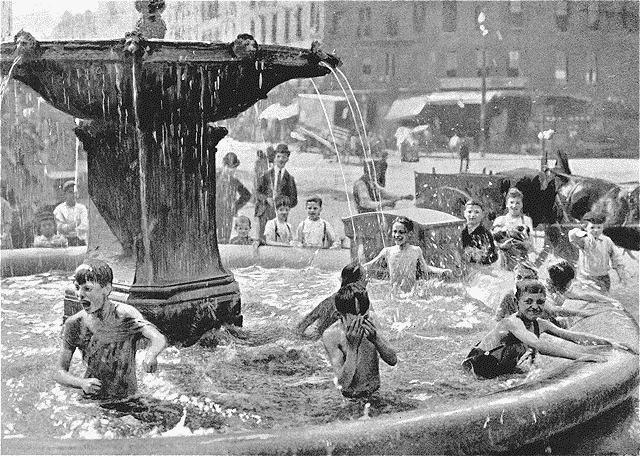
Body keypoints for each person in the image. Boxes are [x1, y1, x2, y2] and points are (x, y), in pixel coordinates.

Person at [463, 280, 635, 379]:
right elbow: (537, 344)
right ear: (516, 303)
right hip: (478, 366)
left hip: (500, 369)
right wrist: (579, 355)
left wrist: (610, 342)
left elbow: (573, 336)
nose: (535, 306)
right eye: (528, 301)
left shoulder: (541, 324)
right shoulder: (511, 323)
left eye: (540, 302)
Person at [54, 259, 167, 400]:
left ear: (106, 289)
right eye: (77, 287)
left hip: (126, 398)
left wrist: (151, 354)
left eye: (87, 289)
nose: (80, 294)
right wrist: (81, 383)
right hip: (92, 399)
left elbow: (158, 337)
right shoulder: (74, 324)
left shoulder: (125, 315)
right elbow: (59, 372)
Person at [322, 263, 397, 399]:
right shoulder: (331, 335)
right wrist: (352, 348)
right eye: (354, 317)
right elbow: (343, 384)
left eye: (364, 315)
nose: (360, 320)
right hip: (351, 399)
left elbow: (393, 360)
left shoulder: (371, 319)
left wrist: (376, 340)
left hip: (375, 393)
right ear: (339, 315)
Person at [495, 261, 606, 326]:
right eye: (519, 277)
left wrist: (610, 301)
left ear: (535, 279)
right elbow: (498, 319)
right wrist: (584, 313)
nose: (522, 281)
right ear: (514, 278)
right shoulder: (509, 295)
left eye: (527, 277)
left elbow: (582, 296)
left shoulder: (540, 291)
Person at [363, 217, 452, 292]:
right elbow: (370, 265)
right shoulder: (387, 251)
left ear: (409, 234)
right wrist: (357, 268)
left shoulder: (416, 250)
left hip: (411, 292)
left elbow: (425, 268)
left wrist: (441, 271)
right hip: (395, 292)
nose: (397, 235)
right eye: (394, 231)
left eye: (401, 232)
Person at [296, 260, 371, 338]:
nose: (367, 280)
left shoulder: (332, 300)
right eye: (364, 278)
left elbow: (306, 322)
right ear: (357, 282)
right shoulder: (353, 304)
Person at [568, 211, 627, 293]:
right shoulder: (583, 241)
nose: (596, 230)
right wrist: (585, 234)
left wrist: (621, 276)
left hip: (603, 277)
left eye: (599, 227)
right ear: (586, 227)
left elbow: (616, 258)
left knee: (603, 298)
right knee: (589, 297)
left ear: (603, 227)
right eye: (592, 227)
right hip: (586, 277)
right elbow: (572, 235)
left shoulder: (607, 241)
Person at [256, 144, 298, 239]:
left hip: (280, 214)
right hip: (265, 211)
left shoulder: (290, 179)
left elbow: (294, 200)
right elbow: (257, 193)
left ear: (287, 159)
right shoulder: (266, 175)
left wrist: (283, 203)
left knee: (278, 239)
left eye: (284, 157)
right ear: (274, 158)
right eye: (278, 156)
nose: (281, 160)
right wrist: (266, 199)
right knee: (264, 238)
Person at [491, 187, 534, 271]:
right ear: (506, 204)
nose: (514, 206)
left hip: (521, 260)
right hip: (503, 260)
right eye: (511, 202)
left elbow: (531, 244)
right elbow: (493, 243)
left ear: (522, 205)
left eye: (518, 203)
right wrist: (502, 245)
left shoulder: (526, 220)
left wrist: (523, 244)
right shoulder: (500, 220)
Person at [216, 152, 251, 244]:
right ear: (223, 165)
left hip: (227, 215)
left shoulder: (234, 181)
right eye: (229, 167)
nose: (231, 170)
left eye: (234, 167)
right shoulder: (214, 177)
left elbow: (247, 195)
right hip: (213, 213)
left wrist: (235, 206)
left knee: (224, 240)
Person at [461, 200, 498, 265]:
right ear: (464, 213)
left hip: (479, 267)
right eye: (469, 212)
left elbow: (492, 256)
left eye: (477, 212)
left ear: (482, 215)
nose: (472, 215)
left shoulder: (485, 234)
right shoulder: (461, 231)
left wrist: (480, 255)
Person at [54, 181, 89, 246]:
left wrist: (68, 228)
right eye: (70, 192)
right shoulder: (59, 209)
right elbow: (60, 228)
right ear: (65, 194)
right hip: (64, 242)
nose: (73, 195)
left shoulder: (82, 208)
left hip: (80, 241)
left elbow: (84, 227)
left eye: (75, 192)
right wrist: (75, 224)